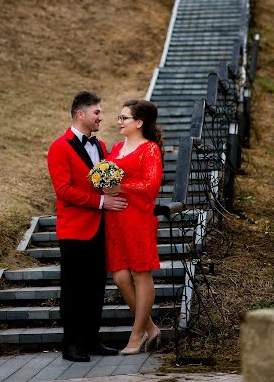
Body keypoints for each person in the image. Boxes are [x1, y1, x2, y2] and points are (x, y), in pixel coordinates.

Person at [47, 90, 128, 362]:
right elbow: (64, 190)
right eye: (97, 112)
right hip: (74, 230)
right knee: (73, 289)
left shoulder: (101, 146)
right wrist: (102, 202)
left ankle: (92, 340)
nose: (101, 117)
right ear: (80, 114)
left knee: (95, 287)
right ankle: (70, 345)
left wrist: (116, 191)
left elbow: (104, 183)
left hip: (100, 229)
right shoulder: (59, 147)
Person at [103, 99, 163, 355]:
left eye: (124, 118)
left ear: (139, 123)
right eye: (119, 117)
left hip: (138, 217)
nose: (119, 121)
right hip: (115, 219)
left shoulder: (150, 149)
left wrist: (122, 187)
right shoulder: (116, 148)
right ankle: (151, 328)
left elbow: (152, 185)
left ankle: (136, 335)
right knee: (119, 276)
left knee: (141, 274)